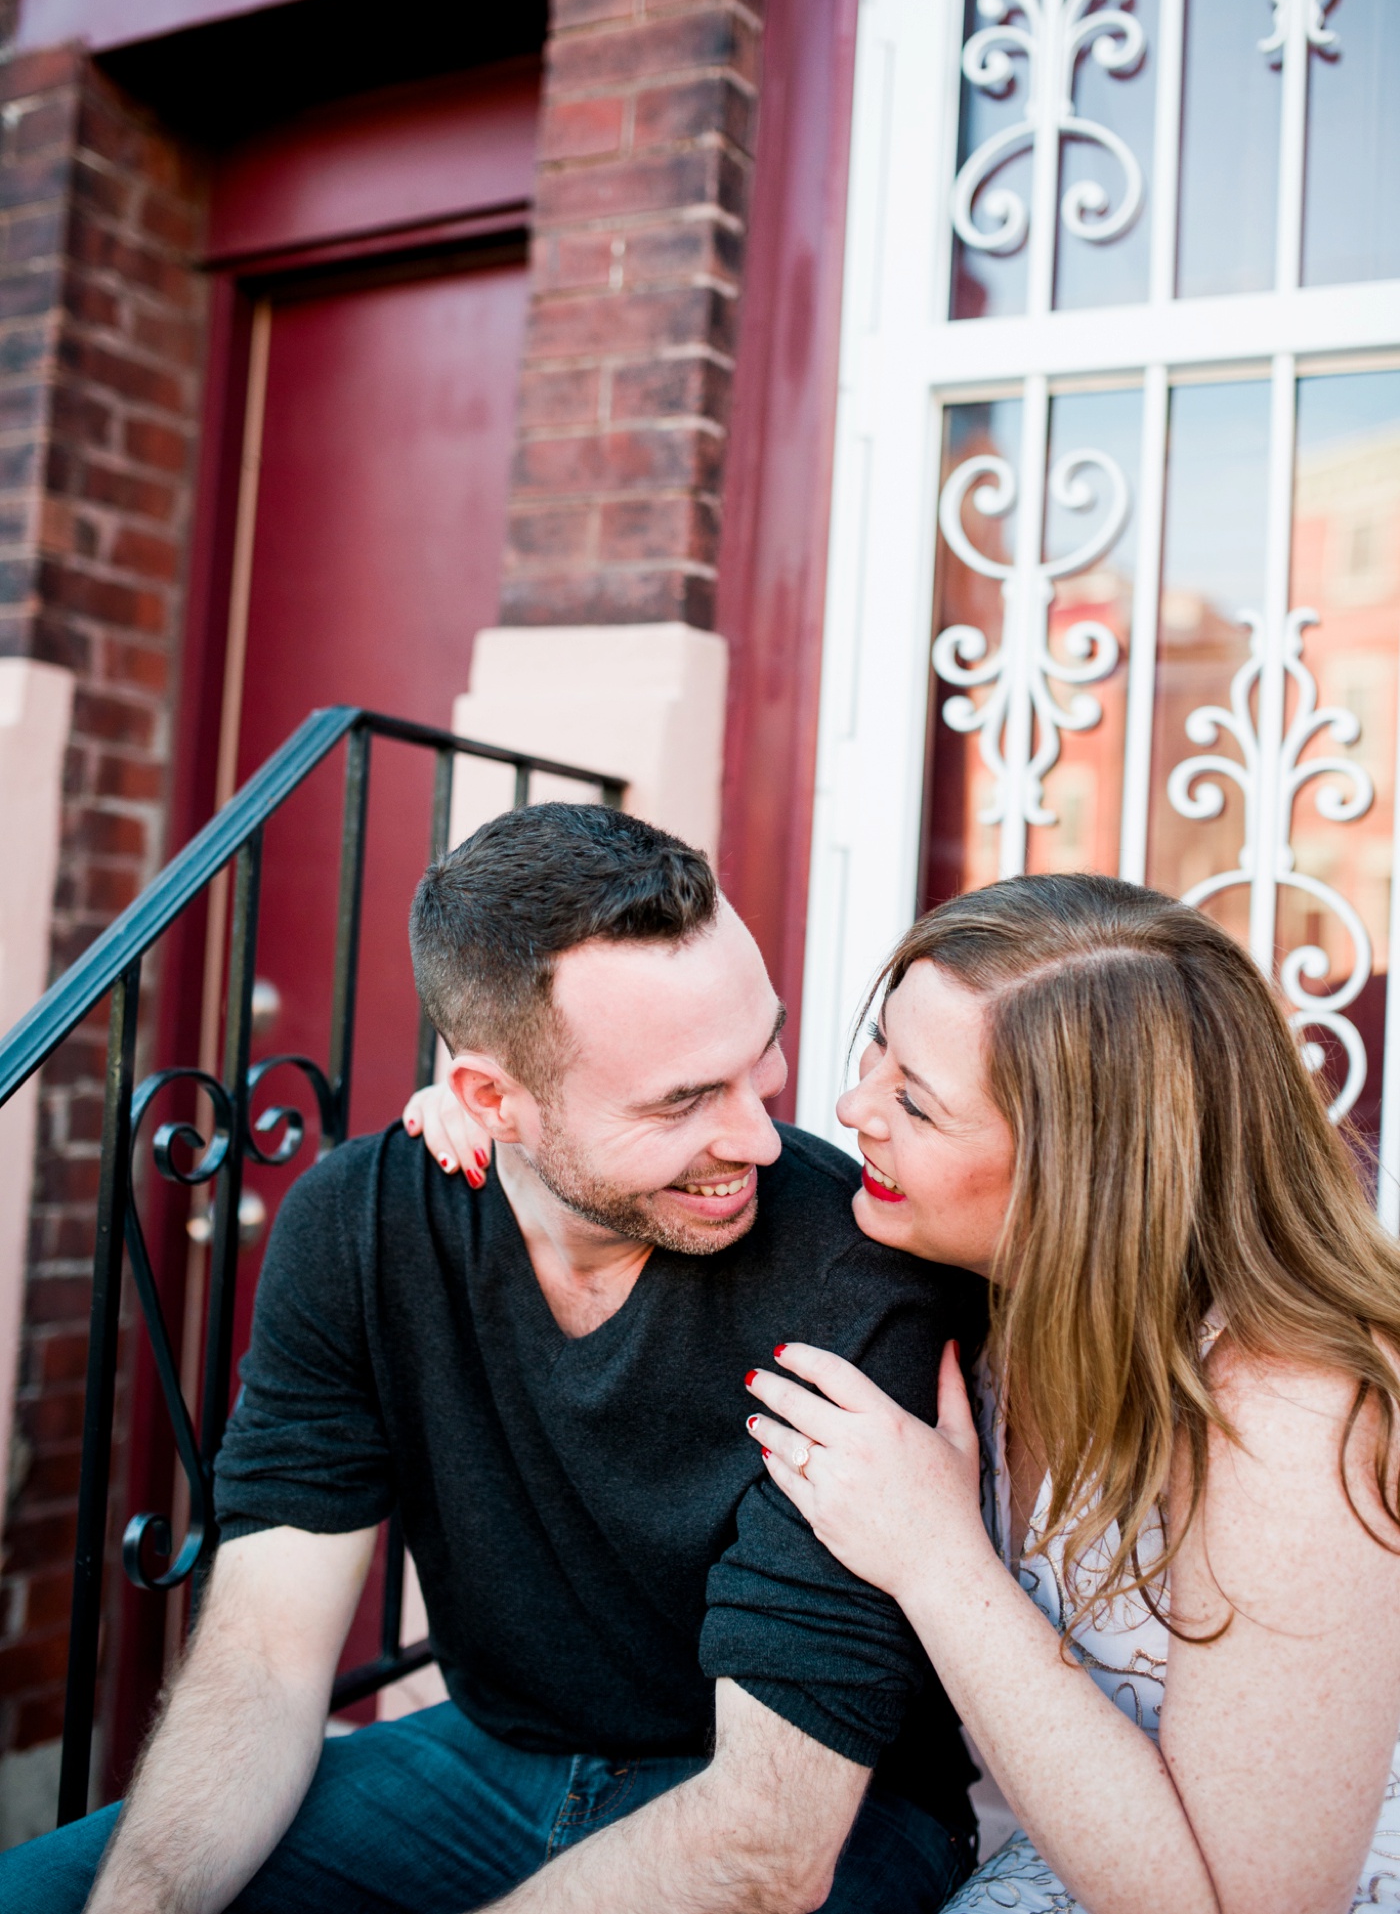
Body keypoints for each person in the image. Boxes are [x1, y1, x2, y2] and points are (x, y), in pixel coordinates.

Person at [4, 803, 984, 1914]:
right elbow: (266, 1658)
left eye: (757, 1052)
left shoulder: (855, 1269)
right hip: (492, 1763)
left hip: (831, 1816)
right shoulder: (360, 1228)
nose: (759, 1134)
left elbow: (766, 1842)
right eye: (681, 1100)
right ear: (488, 1100)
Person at [741, 873, 1400, 1914]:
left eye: (914, 1099)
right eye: (880, 1047)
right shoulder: (969, 1282)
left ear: (1079, 1180)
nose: (853, 1104)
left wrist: (933, 1556)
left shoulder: (1288, 1406)